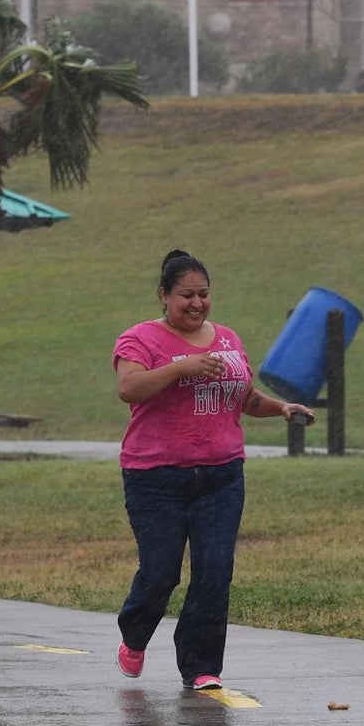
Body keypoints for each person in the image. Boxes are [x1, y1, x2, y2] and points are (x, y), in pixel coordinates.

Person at [111, 249, 314, 689]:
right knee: (161, 573)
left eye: (204, 294)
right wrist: (181, 365)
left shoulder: (228, 338)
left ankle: (202, 667)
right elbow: (129, 388)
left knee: (215, 570)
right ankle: (135, 635)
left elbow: (242, 396)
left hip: (221, 476)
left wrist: (281, 407)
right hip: (155, 477)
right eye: (186, 295)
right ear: (164, 296)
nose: (197, 303)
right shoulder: (141, 339)